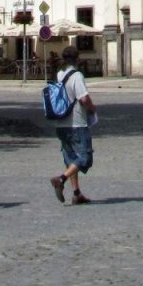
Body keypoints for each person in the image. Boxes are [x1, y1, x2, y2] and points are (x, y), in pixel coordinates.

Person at [48, 46, 97, 205]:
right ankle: (60, 180)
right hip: (76, 122)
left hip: (60, 123)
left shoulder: (59, 74)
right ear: (77, 59)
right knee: (85, 157)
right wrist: (92, 108)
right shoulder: (76, 75)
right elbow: (83, 98)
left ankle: (76, 194)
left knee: (71, 158)